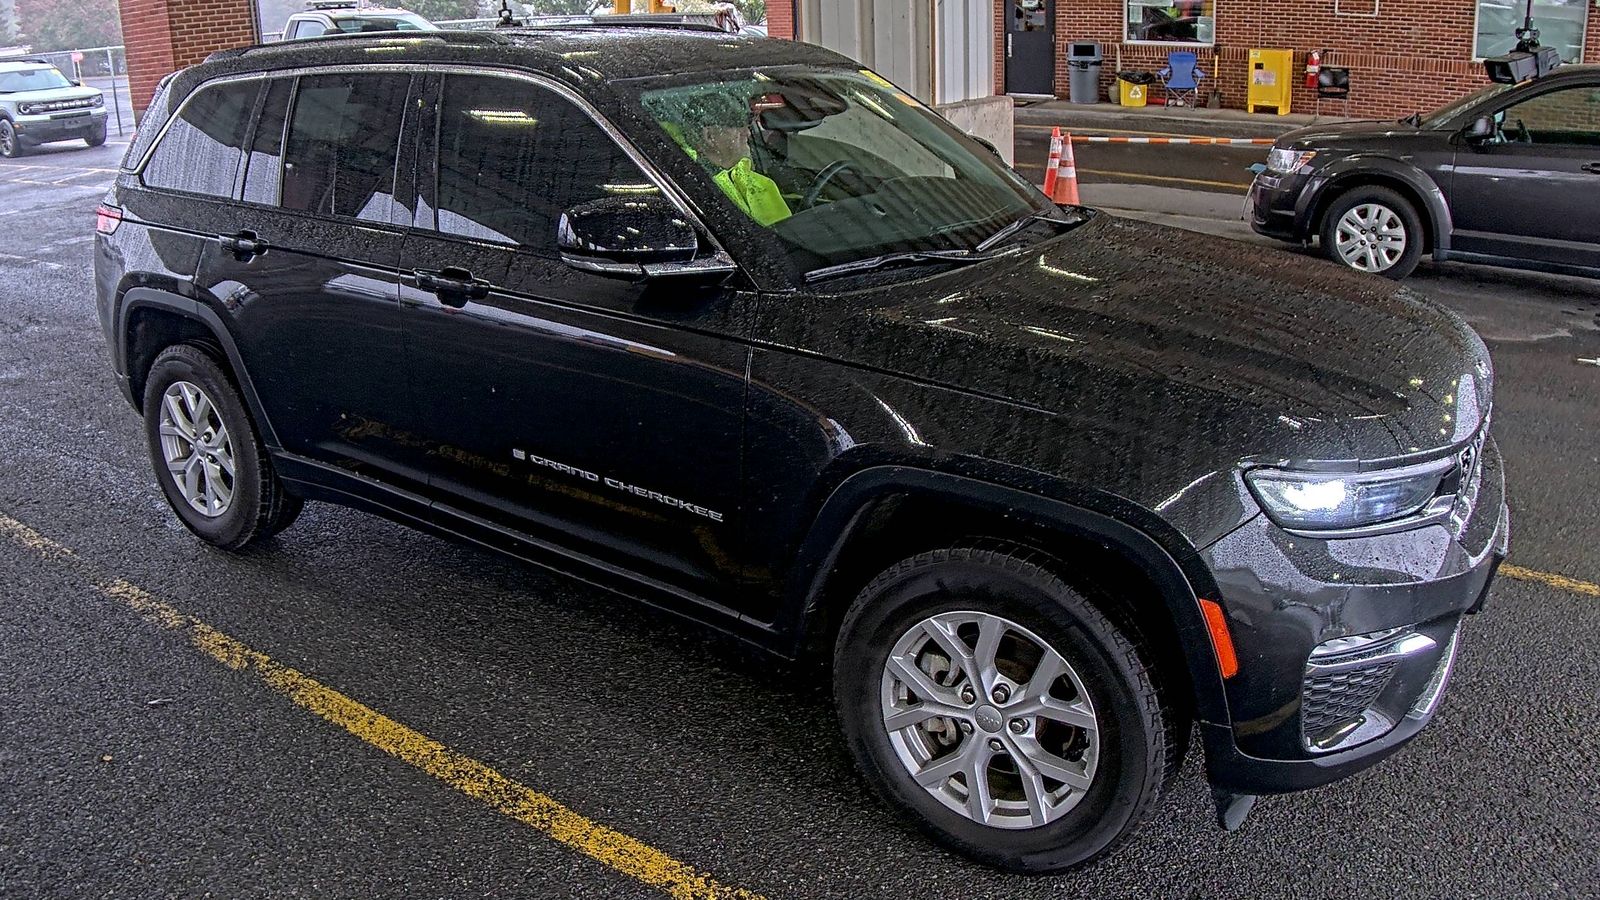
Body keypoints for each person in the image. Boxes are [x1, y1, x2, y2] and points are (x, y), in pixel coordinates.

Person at [675, 94, 792, 227]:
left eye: (747, 126)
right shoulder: (694, 193)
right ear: (709, 136)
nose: (747, 133)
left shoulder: (760, 182)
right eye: (737, 126)